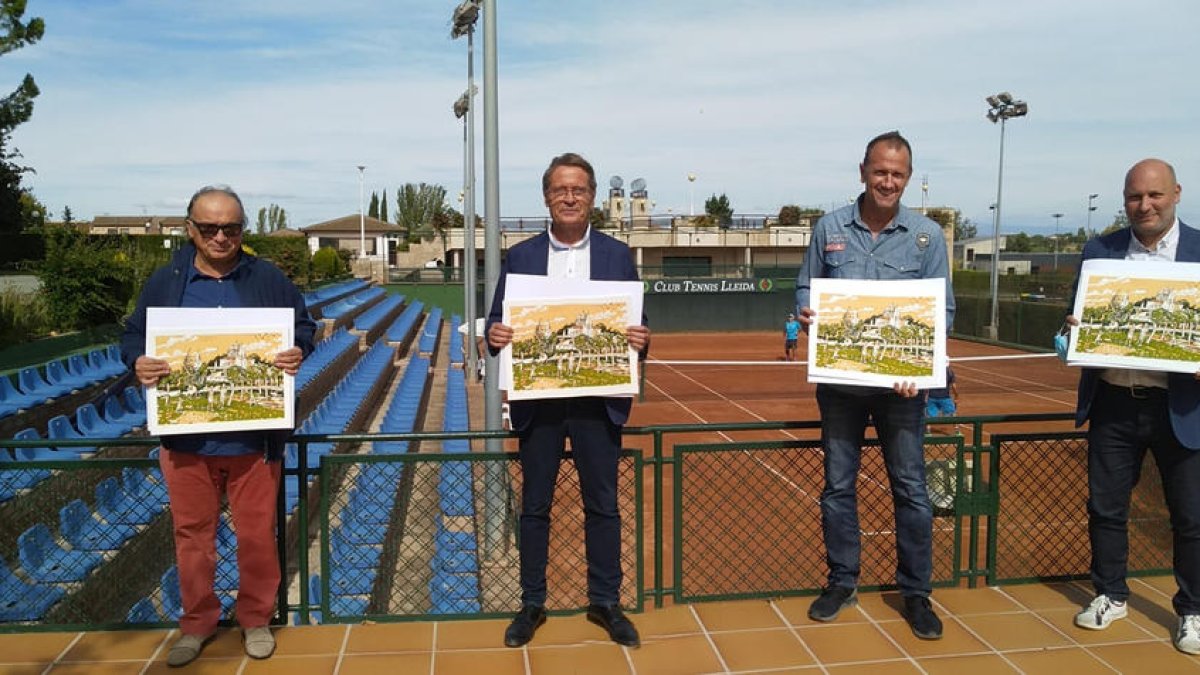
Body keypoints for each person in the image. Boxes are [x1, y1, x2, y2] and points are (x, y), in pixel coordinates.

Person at [120, 185, 316, 667]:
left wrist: (298, 350)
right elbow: (132, 335)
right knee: (193, 538)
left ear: (242, 230)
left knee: (256, 537)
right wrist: (138, 361)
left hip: (255, 440)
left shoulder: (268, 278)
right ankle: (197, 624)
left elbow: (305, 328)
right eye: (210, 228)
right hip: (186, 440)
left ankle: (255, 619)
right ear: (190, 230)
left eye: (231, 227)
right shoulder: (166, 281)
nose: (221, 236)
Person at [794, 131, 954, 640]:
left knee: (910, 489)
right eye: (880, 171)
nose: (888, 181)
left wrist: (923, 368)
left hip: (902, 392)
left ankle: (916, 593)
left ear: (907, 178)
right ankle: (842, 581)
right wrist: (804, 312)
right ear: (862, 171)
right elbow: (805, 285)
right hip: (840, 389)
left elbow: (941, 312)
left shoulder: (928, 236)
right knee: (837, 488)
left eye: (897, 174)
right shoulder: (829, 227)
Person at [486, 152, 650, 649]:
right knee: (534, 506)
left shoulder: (618, 255)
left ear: (594, 196)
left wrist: (643, 340)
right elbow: (495, 325)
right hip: (541, 403)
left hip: (598, 402)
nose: (570, 197)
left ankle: (606, 602)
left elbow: (640, 327)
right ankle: (531, 603)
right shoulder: (521, 257)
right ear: (546, 197)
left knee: (603, 506)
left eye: (578, 189)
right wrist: (493, 334)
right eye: (561, 189)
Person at [1066, 159, 1200, 655]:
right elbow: (1071, 325)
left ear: (1176, 194)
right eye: (1135, 197)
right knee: (1105, 508)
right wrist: (1072, 332)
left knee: (1191, 517)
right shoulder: (1098, 251)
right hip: (1114, 402)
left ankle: (1193, 610)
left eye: (1154, 196)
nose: (1144, 206)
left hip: (1182, 408)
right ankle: (1110, 594)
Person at [925, 367, 959, 434]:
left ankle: (928, 431)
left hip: (932, 397)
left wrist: (926, 397)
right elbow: (954, 386)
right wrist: (956, 396)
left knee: (928, 415)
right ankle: (956, 430)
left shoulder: (932, 370)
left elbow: (927, 385)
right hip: (945, 397)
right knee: (952, 413)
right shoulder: (949, 371)